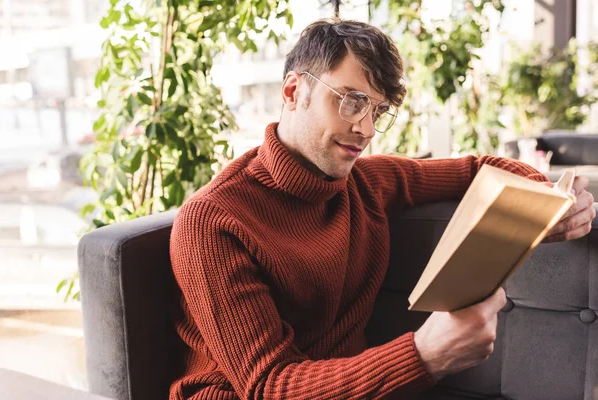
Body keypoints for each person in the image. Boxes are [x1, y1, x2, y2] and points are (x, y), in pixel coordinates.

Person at [168, 19, 596, 400]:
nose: (367, 130)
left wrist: (548, 200)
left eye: (378, 111)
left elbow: (476, 167)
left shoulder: (367, 182)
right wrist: (425, 355)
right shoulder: (212, 221)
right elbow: (268, 386)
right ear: (294, 91)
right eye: (351, 101)